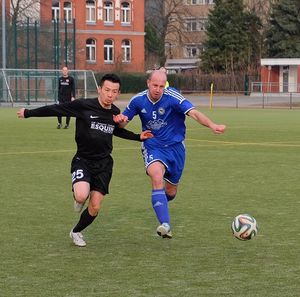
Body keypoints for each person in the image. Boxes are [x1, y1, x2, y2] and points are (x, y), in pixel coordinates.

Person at [17, 73, 153, 247]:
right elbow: (55, 109)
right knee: (81, 196)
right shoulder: (83, 105)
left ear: (118, 93)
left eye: (114, 91)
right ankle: (79, 197)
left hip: (104, 164)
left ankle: (76, 232)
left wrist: (138, 137)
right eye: (107, 90)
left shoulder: (114, 113)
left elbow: (116, 131)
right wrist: (28, 113)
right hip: (83, 160)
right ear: (99, 89)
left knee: (95, 207)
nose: (110, 94)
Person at [114, 70, 226, 239]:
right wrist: (121, 122)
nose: (158, 89)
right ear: (148, 83)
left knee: (171, 192)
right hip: (153, 146)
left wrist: (212, 125)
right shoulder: (138, 100)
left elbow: (194, 113)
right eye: (155, 85)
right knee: (156, 176)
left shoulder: (173, 97)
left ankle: (160, 200)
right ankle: (165, 225)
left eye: (161, 86)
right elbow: (122, 124)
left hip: (175, 148)